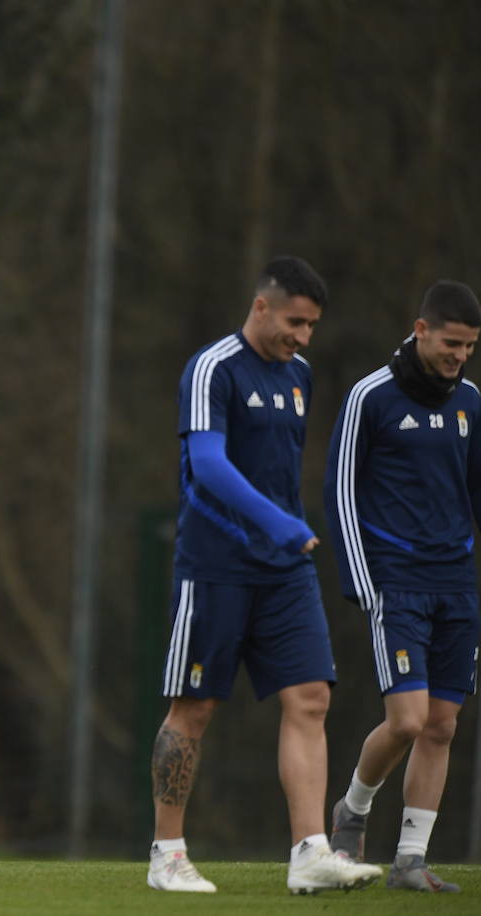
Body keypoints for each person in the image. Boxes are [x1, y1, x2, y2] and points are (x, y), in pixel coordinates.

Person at [146, 256, 381, 894]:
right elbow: (209, 464)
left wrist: (287, 535)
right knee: (193, 708)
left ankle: (310, 852)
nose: (303, 338)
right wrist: (278, 523)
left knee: (311, 698)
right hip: (216, 567)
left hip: (285, 572)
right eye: (295, 322)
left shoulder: (299, 374)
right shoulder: (213, 368)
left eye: (311, 326)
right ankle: (167, 854)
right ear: (261, 307)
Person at [323, 280, 481, 894]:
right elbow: (340, 490)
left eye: (469, 346)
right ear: (420, 330)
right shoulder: (371, 396)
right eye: (450, 342)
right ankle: (353, 811)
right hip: (397, 582)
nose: (459, 355)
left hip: (457, 586)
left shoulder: (470, 401)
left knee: (443, 724)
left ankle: (409, 861)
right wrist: (360, 576)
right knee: (410, 720)